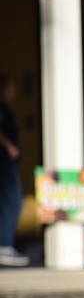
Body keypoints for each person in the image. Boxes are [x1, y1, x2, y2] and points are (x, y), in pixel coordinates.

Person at [0, 73, 29, 267]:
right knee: (13, 202)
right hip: (4, 163)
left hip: (7, 163)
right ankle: (3, 246)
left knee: (10, 202)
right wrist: (9, 147)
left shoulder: (6, 109)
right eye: (12, 88)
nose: (14, 92)